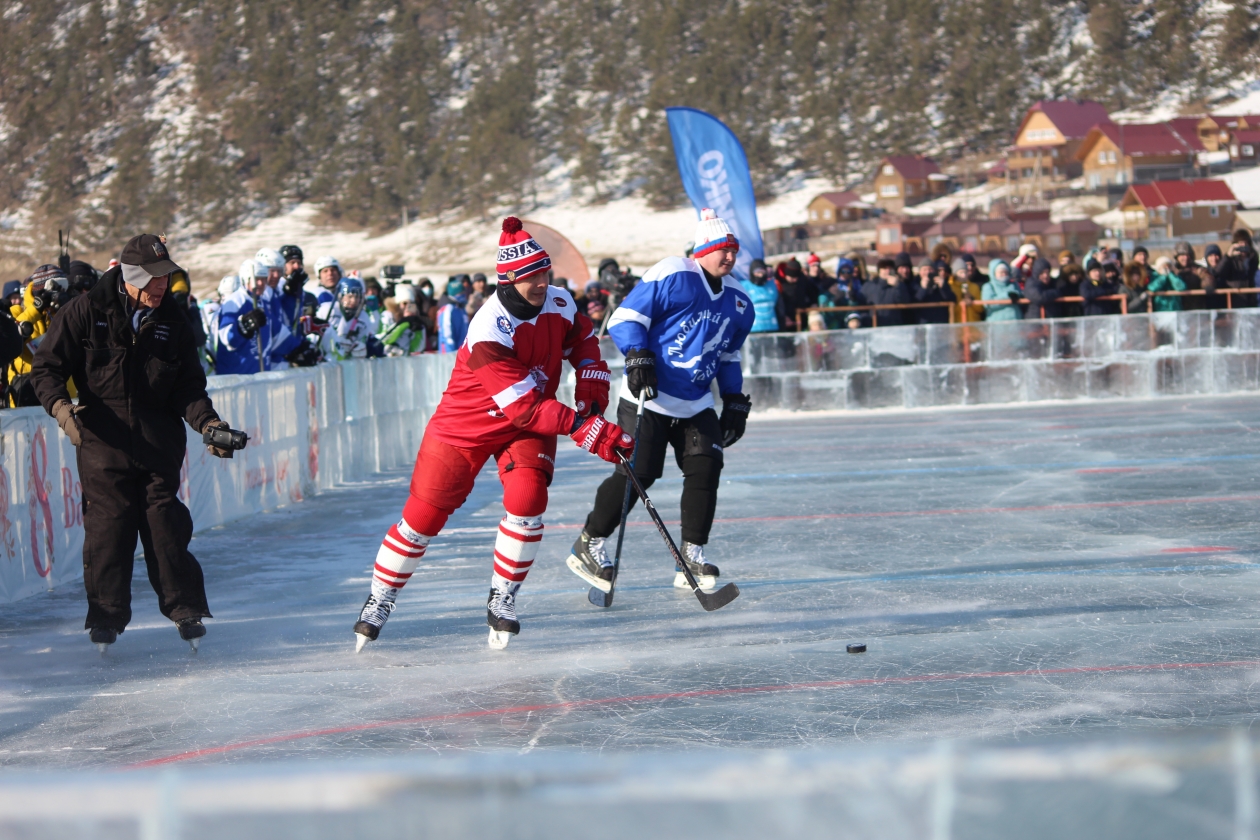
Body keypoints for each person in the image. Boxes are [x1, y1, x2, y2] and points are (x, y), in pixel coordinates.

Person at [352, 217, 628, 651]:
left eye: (544, 272)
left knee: (528, 498)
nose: (541, 283)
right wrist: (584, 427)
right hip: (468, 426)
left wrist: (592, 379)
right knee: (423, 518)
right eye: (529, 276)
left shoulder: (558, 301)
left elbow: (582, 340)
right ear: (507, 280)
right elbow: (522, 407)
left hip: (530, 421)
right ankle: (380, 597)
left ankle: (503, 597)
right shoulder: (488, 329)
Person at [30, 233, 236, 651]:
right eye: (155, 280)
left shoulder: (172, 319)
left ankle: (185, 609)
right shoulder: (84, 311)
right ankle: (105, 618)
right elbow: (45, 369)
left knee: (165, 525)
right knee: (110, 528)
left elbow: (188, 388)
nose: (162, 287)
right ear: (131, 277)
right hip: (102, 444)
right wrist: (61, 409)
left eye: (166, 279)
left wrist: (208, 424)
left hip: (158, 444)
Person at [567, 208, 754, 595]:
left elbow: (729, 356)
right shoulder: (673, 272)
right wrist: (637, 356)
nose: (731, 257)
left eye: (734, 251)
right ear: (703, 250)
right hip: (648, 396)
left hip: (696, 400)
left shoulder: (739, 302)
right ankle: (590, 541)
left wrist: (734, 399)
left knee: (706, 467)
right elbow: (624, 318)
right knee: (639, 472)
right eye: (723, 249)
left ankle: (691, 554)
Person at [215, 260, 276, 374]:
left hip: (259, 375)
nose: (261, 283)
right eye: (256, 279)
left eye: (263, 279)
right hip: (237, 376)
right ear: (246, 279)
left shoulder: (263, 303)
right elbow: (226, 338)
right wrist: (242, 328)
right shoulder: (235, 301)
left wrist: (297, 348)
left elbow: (276, 332)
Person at [318, 277, 380, 360]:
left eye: (357, 297)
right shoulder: (326, 310)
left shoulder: (364, 317)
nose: (354, 301)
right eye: (350, 296)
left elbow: (363, 339)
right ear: (341, 296)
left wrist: (361, 348)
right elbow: (315, 338)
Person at [859, 257, 912, 326]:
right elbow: (861, 305)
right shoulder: (869, 286)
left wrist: (898, 286)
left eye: (890, 268)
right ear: (879, 271)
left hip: (894, 326)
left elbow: (906, 301)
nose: (887, 271)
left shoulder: (899, 285)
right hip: (874, 326)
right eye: (884, 268)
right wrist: (866, 321)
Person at [380, 284, 427, 356]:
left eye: (411, 303)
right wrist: (404, 323)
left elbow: (418, 348)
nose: (407, 307)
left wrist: (418, 330)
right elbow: (385, 340)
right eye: (404, 303)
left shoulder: (416, 322)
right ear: (398, 304)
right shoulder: (388, 316)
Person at [776, 258, 818, 330]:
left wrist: (813, 303)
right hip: (786, 319)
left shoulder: (803, 280)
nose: (795, 280)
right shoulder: (780, 283)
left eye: (796, 277)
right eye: (792, 278)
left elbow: (812, 293)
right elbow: (777, 303)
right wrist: (784, 316)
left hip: (802, 317)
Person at [742, 258, 782, 332]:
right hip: (753, 329)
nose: (760, 275)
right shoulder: (744, 286)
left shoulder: (772, 285)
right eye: (757, 272)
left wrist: (782, 323)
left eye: (762, 272)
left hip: (772, 326)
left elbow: (779, 306)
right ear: (752, 272)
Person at [435, 277, 470, 353]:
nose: (463, 295)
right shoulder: (447, 310)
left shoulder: (461, 308)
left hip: (462, 353)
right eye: (461, 293)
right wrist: (451, 354)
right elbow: (447, 335)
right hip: (451, 355)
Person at [951, 255, 986, 323]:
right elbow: (951, 310)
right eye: (961, 272)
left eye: (965, 272)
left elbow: (980, 309)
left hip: (974, 324)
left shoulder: (974, 287)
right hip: (958, 325)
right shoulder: (952, 288)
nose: (964, 275)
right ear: (955, 274)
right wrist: (962, 304)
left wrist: (971, 300)